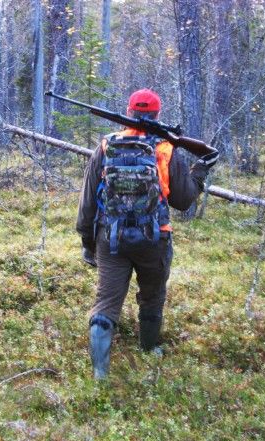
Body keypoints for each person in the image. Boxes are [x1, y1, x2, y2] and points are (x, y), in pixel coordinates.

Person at [77, 88, 218, 379]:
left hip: (111, 240)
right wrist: (200, 171)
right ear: (157, 114)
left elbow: (88, 204)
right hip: (154, 238)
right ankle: (149, 349)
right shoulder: (166, 150)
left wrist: (88, 244)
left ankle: (100, 375)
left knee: (106, 303)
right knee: (152, 296)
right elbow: (182, 199)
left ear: (128, 113)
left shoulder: (105, 146)